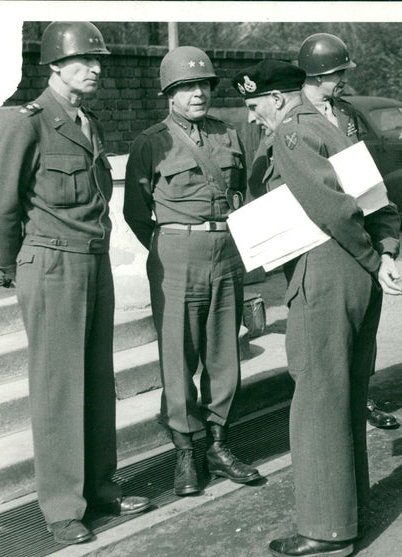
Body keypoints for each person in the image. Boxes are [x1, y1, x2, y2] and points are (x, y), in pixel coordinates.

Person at [0, 22, 150, 545]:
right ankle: (60, 508)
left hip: (92, 262)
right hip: (51, 264)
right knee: (58, 388)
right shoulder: (26, 123)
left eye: (99, 61)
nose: (97, 69)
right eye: (84, 61)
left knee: (97, 381)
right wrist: (14, 265)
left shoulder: (86, 121)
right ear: (55, 66)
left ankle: (99, 488)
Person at [231, 59, 402, 557]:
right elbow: (377, 199)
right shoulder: (334, 124)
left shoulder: (292, 135)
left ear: (280, 99)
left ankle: (326, 530)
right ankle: (350, 511)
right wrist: (384, 254)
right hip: (354, 271)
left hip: (326, 271)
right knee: (344, 392)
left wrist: (373, 259)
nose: (252, 116)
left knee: (317, 399)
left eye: (256, 104)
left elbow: (332, 209)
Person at [124, 46, 261, 497]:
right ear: (169, 94)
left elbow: (242, 192)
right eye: (187, 87)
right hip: (176, 254)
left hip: (226, 252)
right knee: (178, 357)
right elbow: (136, 211)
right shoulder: (150, 142)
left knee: (224, 353)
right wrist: (172, 244)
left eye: (203, 85)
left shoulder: (228, 133)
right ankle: (185, 451)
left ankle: (220, 445)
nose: (198, 93)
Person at [297, 32, 401, 430]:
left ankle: (364, 396)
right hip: (324, 248)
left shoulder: (346, 114)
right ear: (316, 75)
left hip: (360, 239)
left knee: (361, 341)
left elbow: (372, 184)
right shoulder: (295, 119)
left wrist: (386, 246)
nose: (343, 79)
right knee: (326, 355)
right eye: (337, 73)